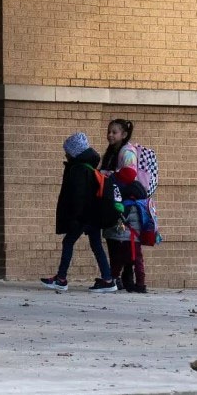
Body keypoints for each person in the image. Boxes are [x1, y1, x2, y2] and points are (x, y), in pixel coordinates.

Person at [41, 132, 117, 293]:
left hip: (83, 216)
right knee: (96, 245)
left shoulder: (78, 170)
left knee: (68, 242)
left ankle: (61, 279)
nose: (66, 154)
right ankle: (108, 279)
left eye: (67, 151)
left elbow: (78, 196)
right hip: (94, 215)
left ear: (74, 152)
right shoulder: (89, 168)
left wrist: (75, 217)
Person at [100, 119, 147, 293]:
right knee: (116, 241)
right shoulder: (112, 152)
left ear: (124, 134)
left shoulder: (127, 151)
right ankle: (122, 279)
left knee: (125, 243)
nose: (110, 135)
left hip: (127, 205)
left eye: (114, 132)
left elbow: (129, 173)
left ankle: (128, 279)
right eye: (109, 131)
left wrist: (106, 174)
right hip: (118, 201)